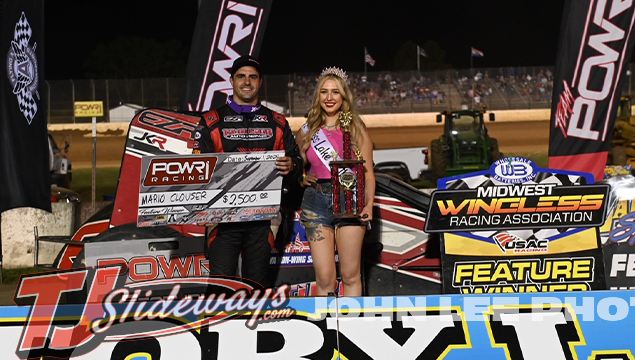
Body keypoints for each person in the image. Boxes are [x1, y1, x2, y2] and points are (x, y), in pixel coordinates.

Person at [195, 55, 302, 288]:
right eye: (241, 76)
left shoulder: (278, 122)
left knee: (258, 286)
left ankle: (254, 324)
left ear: (260, 82)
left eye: (253, 77)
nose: (247, 82)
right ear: (232, 80)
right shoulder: (211, 121)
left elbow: (297, 163)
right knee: (220, 287)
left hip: (263, 220)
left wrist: (292, 165)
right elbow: (196, 169)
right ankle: (220, 324)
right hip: (221, 220)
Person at [295, 67, 376, 296]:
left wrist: (368, 205)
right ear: (317, 96)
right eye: (324, 92)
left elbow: (369, 172)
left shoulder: (356, 128)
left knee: (350, 274)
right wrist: (301, 177)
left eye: (335, 92)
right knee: (324, 279)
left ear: (344, 96)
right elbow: (295, 167)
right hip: (315, 201)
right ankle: (327, 330)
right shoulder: (306, 130)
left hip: (350, 200)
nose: (329, 98)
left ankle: (352, 328)